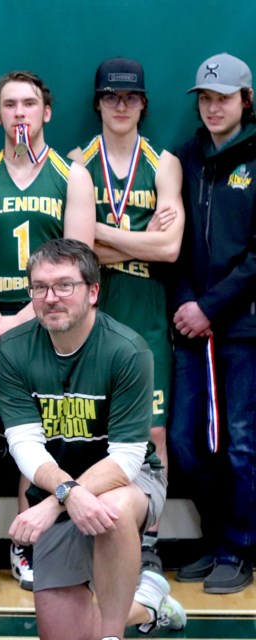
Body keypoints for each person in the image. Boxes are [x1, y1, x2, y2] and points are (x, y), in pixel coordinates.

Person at [0, 70, 95, 594]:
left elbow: (80, 260)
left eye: (29, 104)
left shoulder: (72, 175)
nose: (20, 113)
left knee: (41, 435)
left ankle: (29, 545)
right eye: (10, 104)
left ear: (46, 112)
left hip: (52, 319)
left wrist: (24, 317)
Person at [0, 239, 179, 640]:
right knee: (64, 634)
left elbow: (128, 457)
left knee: (110, 509)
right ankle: (147, 603)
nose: (50, 298)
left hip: (130, 482)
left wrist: (53, 503)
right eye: (39, 288)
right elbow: (24, 444)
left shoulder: (128, 350)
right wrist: (66, 493)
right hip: (59, 484)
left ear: (93, 291)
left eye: (65, 286)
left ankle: (114, 633)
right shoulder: (12, 349)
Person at [67, 57, 184, 579]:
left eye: (130, 97)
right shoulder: (77, 161)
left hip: (147, 313)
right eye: (111, 97)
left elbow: (172, 248)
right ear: (97, 102)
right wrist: (142, 241)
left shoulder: (165, 163)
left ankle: (149, 536)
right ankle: (92, 528)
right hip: (94, 310)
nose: (120, 105)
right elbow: (75, 250)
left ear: (143, 104)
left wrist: (103, 233)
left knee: (153, 431)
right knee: (92, 428)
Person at [170, 52, 256, 594]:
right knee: (185, 441)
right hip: (189, 328)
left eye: (223, 97)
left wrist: (212, 306)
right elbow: (173, 245)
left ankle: (240, 547)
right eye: (205, 97)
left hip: (241, 326)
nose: (212, 107)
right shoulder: (186, 158)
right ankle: (211, 538)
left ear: (245, 100)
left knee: (243, 442)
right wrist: (187, 305)